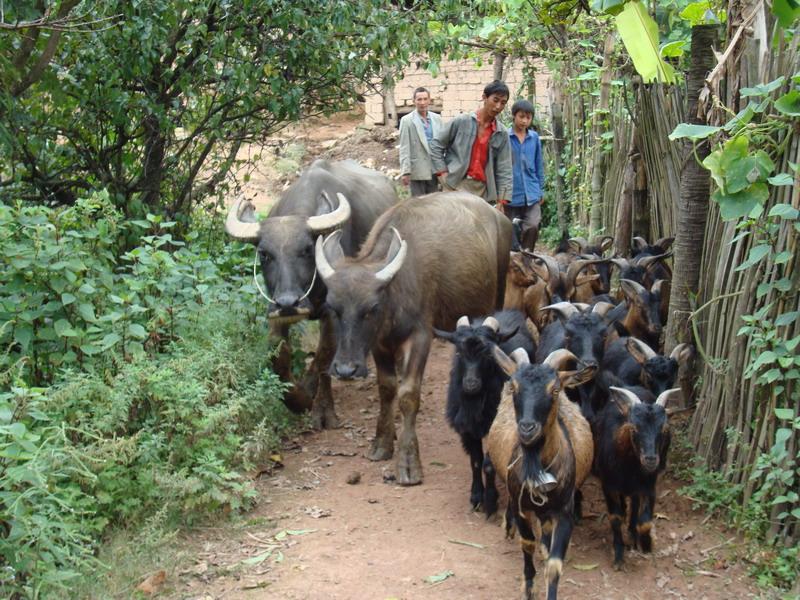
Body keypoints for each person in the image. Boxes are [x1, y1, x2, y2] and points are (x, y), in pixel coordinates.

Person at [430, 80, 512, 206]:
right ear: (484, 97)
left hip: (483, 190)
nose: (498, 106)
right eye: (495, 100)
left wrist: (502, 200)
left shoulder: (502, 133)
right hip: (455, 184)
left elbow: (504, 168)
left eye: (503, 103)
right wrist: (442, 174)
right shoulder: (462, 121)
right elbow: (436, 145)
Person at [507, 99, 545, 251]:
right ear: (514, 116)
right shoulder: (505, 136)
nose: (524, 121)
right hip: (510, 193)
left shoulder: (534, 137)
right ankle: (513, 261)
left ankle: (528, 256)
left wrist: (540, 189)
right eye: (521, 116)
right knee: (510, 230)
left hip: (531, 191)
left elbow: (539, 164)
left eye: (528, 118)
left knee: (533, 225)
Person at [399, 87, 443, 196]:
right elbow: (404, 147)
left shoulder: (437, 118)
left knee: (434, 202)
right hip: (417, 169)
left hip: (434, 169)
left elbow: (442, 144)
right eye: (419, 99)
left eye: (425, 99)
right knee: (418, 204)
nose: (422, 103)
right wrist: (405, 171)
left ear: (429, 100)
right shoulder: (407, 120)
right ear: (414, 101)